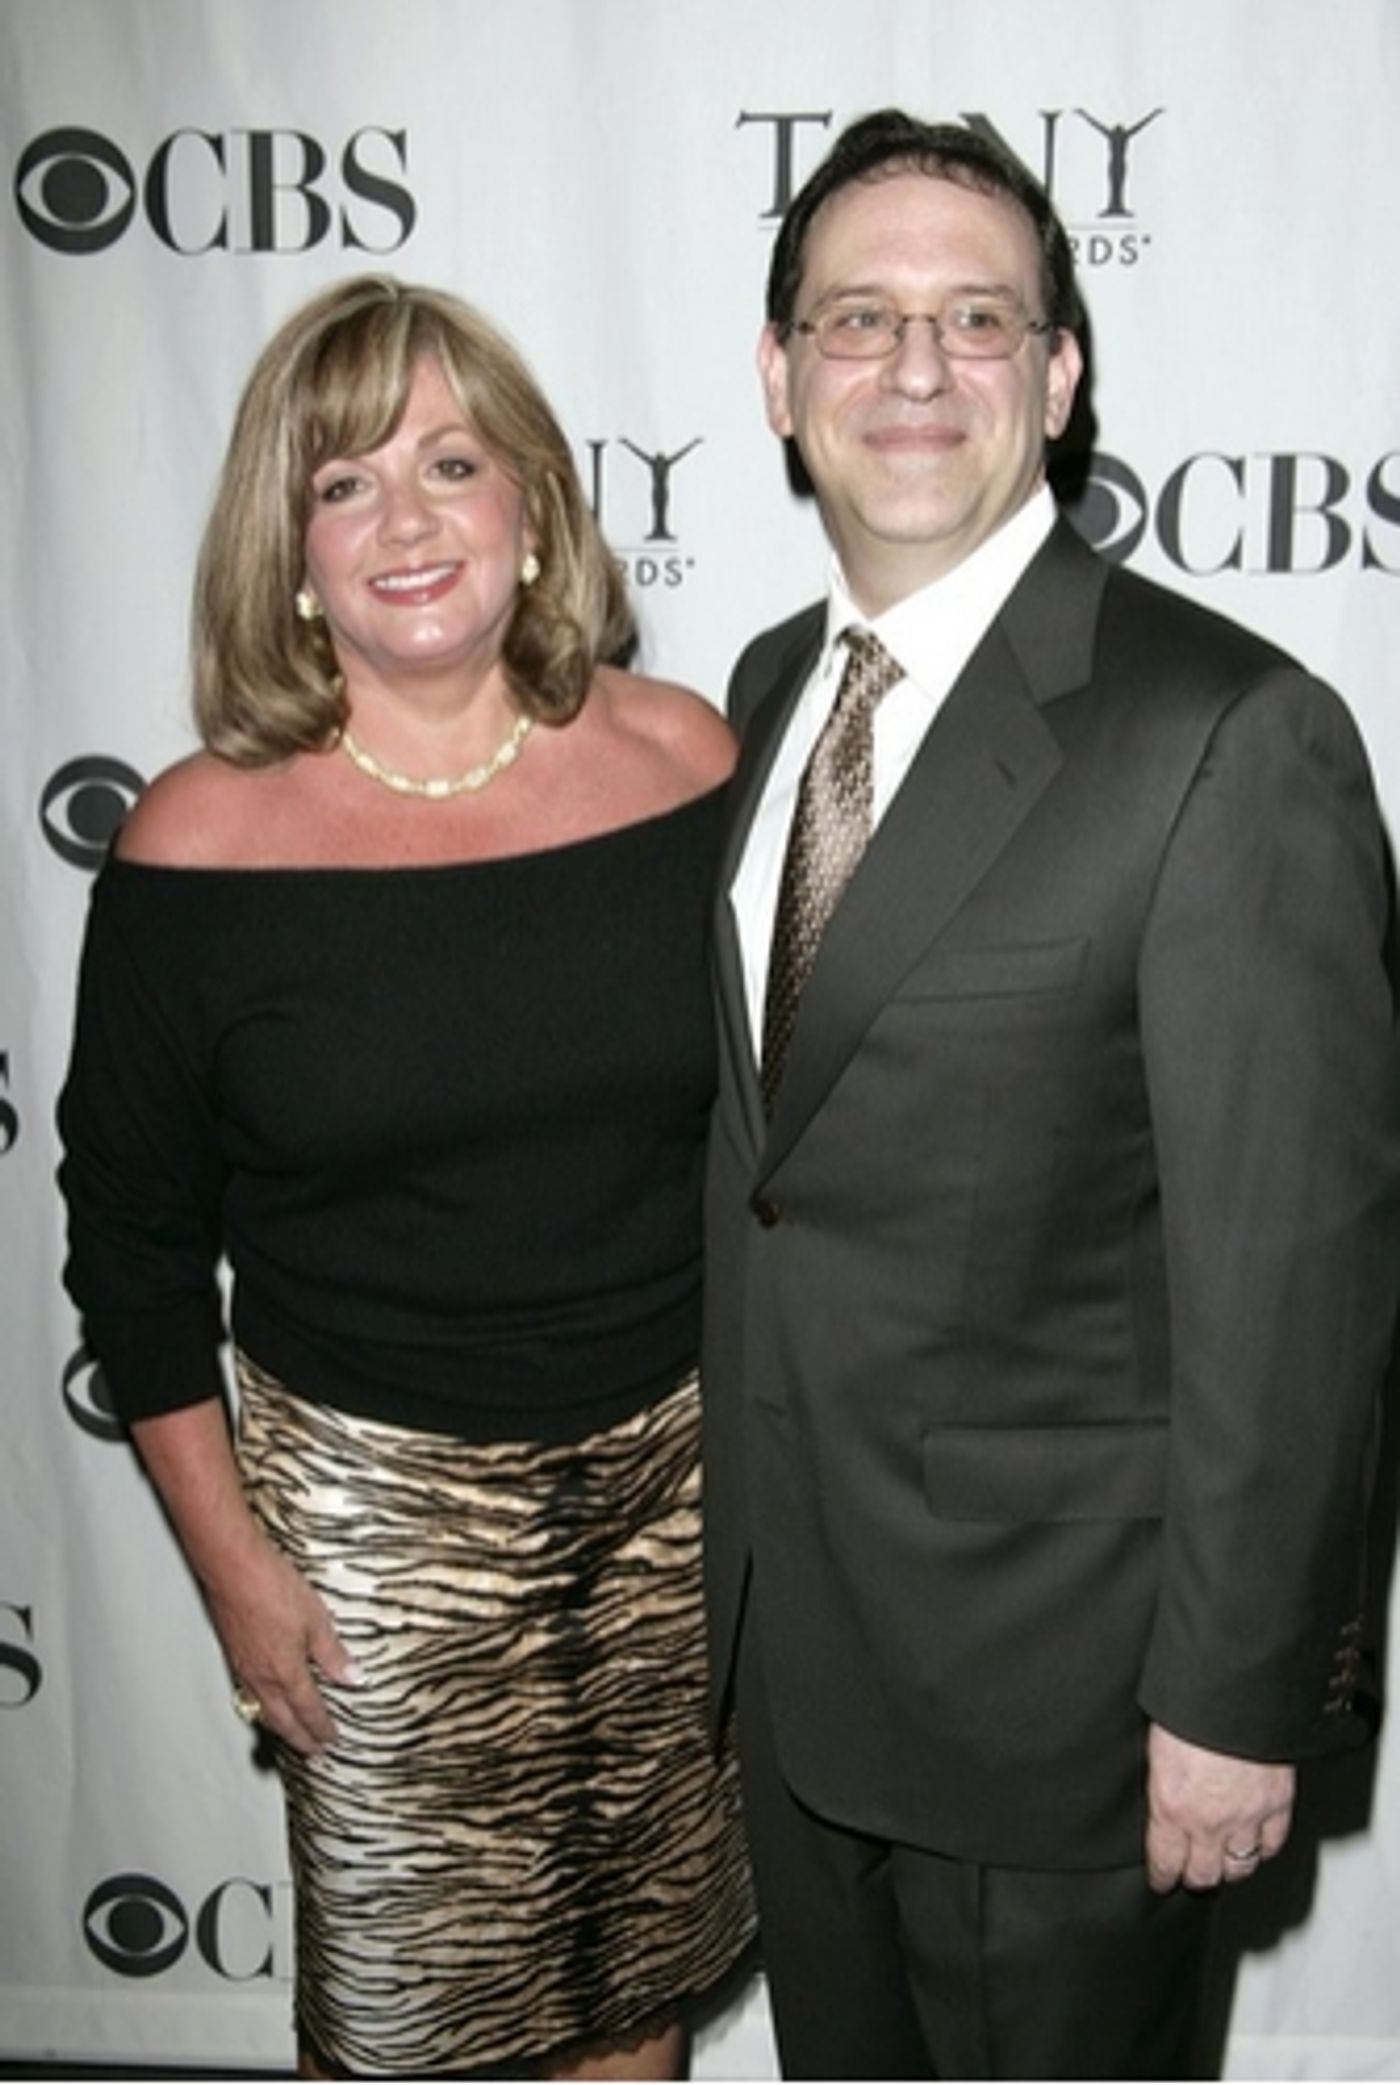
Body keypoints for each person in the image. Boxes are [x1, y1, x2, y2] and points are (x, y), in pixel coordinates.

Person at [702, 109, 1399, 2080]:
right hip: (793, 1666)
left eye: (977, 318)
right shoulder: (765, 690)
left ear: (1059, 372)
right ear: (779, 376)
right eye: (858, 318)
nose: (914, 367)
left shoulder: (1226, 735)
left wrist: (1235, 1694)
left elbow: (1296, 1278)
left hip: (1066, 1717)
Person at [58, 274, 754, 2080]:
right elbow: (130, 1245)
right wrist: (234, 1565)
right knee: (405, 2028)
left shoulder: (690, 764)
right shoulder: (195, 847)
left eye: (451, 461)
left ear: (530, 501)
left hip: (679, 1505)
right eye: (344, 481)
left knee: (635, 1993)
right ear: (291, 552)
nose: (409, 519)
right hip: (374, 1546)